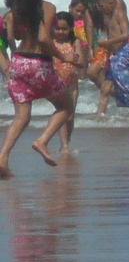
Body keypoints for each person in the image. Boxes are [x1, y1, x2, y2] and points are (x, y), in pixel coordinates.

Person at [0, 0, 75, 176]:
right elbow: (43, 38)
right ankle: (42, 141)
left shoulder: (16, 10)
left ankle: (3, 158)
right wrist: (64, 56)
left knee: (22, 116)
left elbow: (15, 36)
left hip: (18, 63)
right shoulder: (47, 7)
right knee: (66, 105)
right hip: (38, 63)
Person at [47, 14, 79, 156]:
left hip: (72, 84)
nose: (60, 32)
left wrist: (74, 61)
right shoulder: (51, 43)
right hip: (56, 84)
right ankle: (64, 145)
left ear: (71, 28)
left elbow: (82, 62)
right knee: (62, 112)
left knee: (70, 117)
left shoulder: (75, 43)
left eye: (64, 29)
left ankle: (67, 141)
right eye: (57, 28)